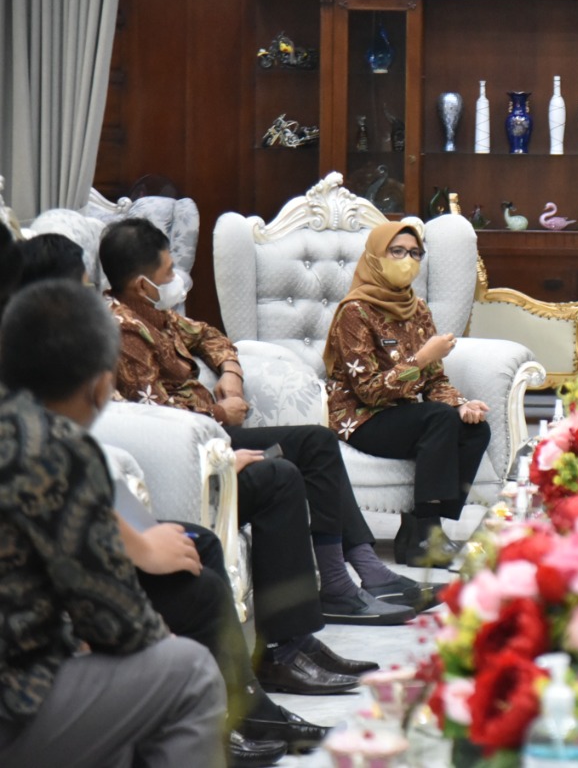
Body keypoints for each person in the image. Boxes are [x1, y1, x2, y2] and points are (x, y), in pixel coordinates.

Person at [9, 235, 340, 762]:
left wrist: (230, 382)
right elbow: (106, 609)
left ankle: (254, 704)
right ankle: (236, 713)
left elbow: (92, 503)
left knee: (199, 545)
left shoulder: (42, 427)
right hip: (19, 693)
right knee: (185, 665)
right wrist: (144, 583)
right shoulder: (46, 440)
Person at [98, 220, 415, 662]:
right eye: (169, 273)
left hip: (215, 431)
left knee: (316, 443)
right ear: (141, 284)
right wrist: (220, 414)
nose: (178, 281)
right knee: (288, 468)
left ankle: (353, 571)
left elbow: (210, 336)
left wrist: (231, 376)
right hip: (195, 446)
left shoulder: (156, 313)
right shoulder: (123, 330)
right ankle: (340, 586)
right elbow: (156, 415)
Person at [0, 280, 226, 768]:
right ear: (102, 386)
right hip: (12, 704)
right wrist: (155, 636)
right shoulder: (56, 447)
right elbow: (115, 621)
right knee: (187, 672)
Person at [323, 221, 490, 565]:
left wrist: (461, 405)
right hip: (361, 419)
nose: (407, 260)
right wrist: (422, 357)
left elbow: (434, 381)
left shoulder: (419, 309)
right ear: (375, 257)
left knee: (475, 429)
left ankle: (418, 528)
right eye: (396, 252)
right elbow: (368, 391)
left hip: (405, 416)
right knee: (438, 419)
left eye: (415, 253)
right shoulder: (354, 312)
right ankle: (426, 534)